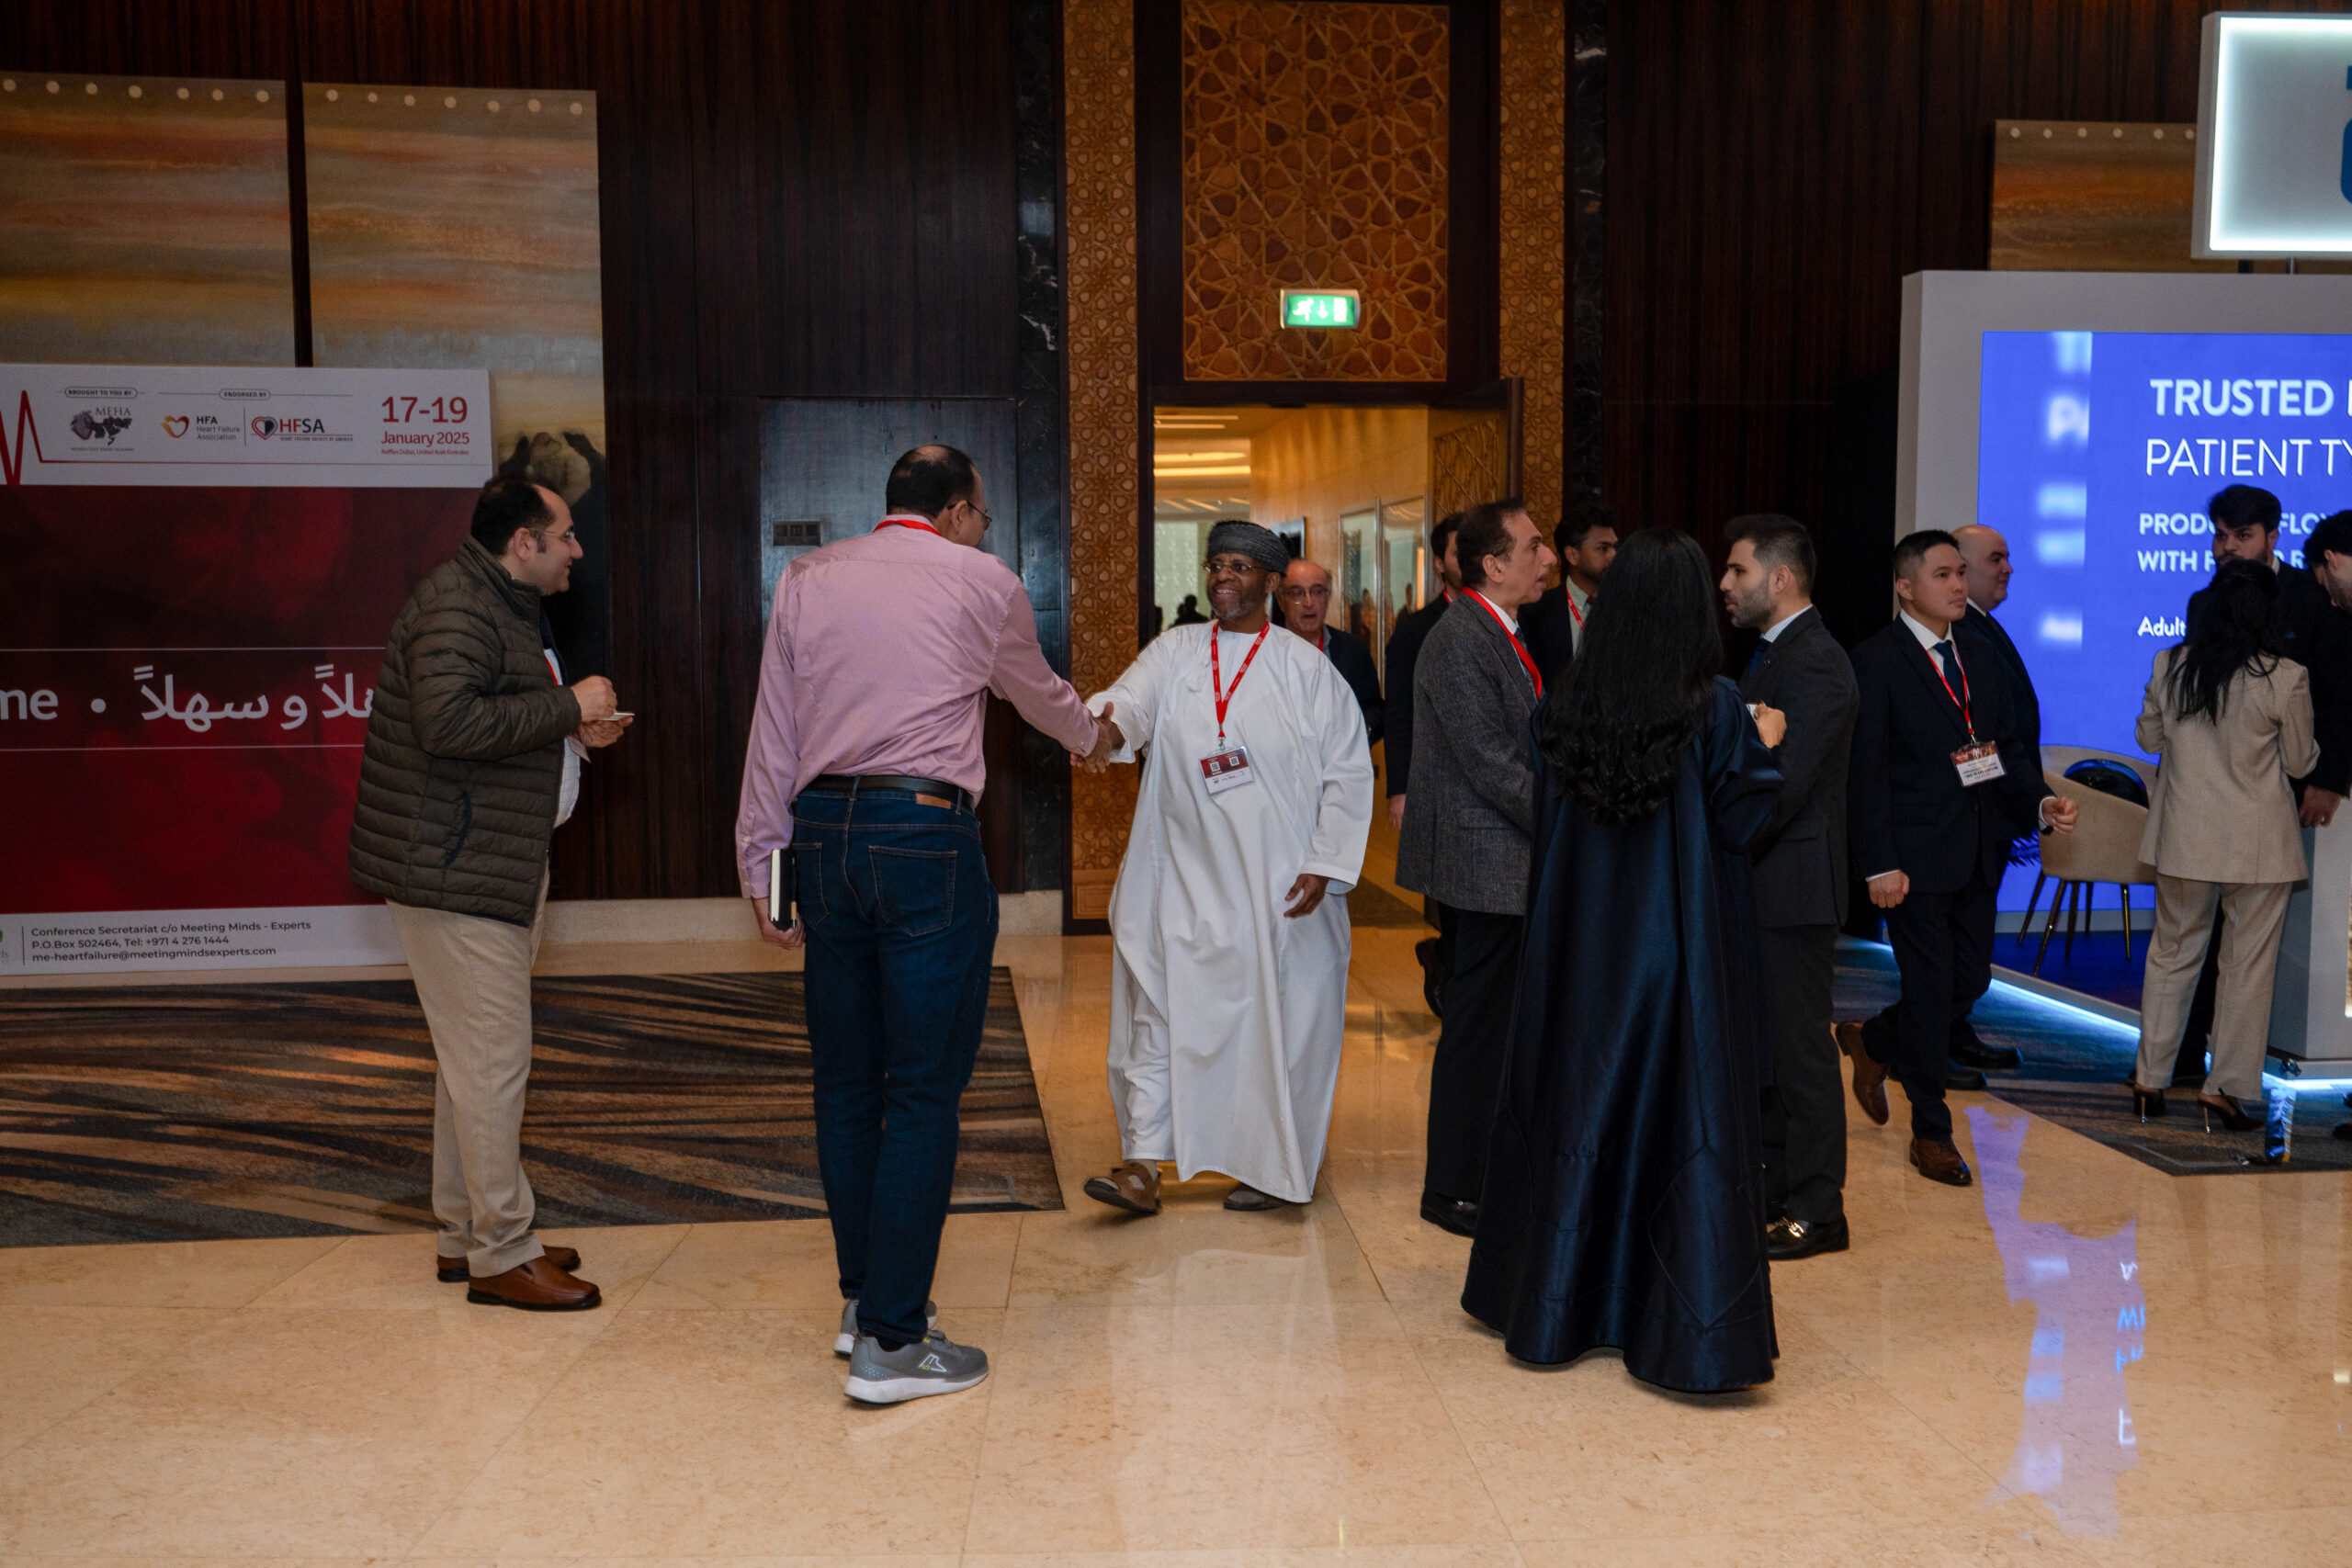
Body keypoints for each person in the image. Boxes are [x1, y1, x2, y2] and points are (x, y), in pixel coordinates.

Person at [737, 444, 1109, 1404]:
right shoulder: (981, 581)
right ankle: (895, 1344)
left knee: (845, 1083)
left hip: (820, 833)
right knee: (922, 1090)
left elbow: (773, 731)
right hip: (922, 835)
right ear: (952, 510)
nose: (982, 529)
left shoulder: (807, 577)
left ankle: (865, 1303)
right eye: (980, 514)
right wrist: (1095, 737)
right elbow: (1036, 693)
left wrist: (765, 874)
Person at [1463, 527, 1787, 1392]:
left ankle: (1560, 1302)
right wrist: (1767, 741)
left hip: (1579, 956)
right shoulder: (1716, 710)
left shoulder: (1562, 708)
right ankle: (1674, 1316)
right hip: (1677, 960)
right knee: (1679, 1125)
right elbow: (1744, 822)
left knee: (1578, 1114)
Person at [350, 474, 630, 1310]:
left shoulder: (500, 601)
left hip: (485, 862)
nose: (578, 548)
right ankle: (503, 1250)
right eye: (566, 534)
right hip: (455, 870)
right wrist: (567, 704)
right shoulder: (459, 607)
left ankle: (466, 1230)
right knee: (492, 1062)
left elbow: (493, 714)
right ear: (524, 542)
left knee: (468, 1062)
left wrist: (568, 725)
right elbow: (448, 724)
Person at [1078, 520, 1374, 1215]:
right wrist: (1103, 729)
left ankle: (1271, 1166)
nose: (1222, 577)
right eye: (1216, 565)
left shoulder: (1308, 671)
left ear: (1271, 581)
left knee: (1275, 1029)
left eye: (1239, 566)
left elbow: (1348, 773)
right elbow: (1130, 703)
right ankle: (1142, 1165)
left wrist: (1325, 862)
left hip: (1275, 889)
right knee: (1156, 1011)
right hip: (1178, 876)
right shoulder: (1177, 649)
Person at [1838, 530, 2076, 1187]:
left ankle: (1874, 1040)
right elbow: (1865, 774)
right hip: (1911, 860)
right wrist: (1878, 862)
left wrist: (2040, 803)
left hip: (1975, 849)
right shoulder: (1876, 660)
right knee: (1929, 987)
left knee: (1967, 982)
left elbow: (2000, 752)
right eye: (1941, 574)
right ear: (1905, 587)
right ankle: (1931, 1131)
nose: (1957, 584)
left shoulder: (1979, 653)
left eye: (1958, 573)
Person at [1396, 499, 1557, 1236]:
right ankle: (1453, 1186)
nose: (1547, 559)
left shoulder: (1503, 629)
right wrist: (1565, 818)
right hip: (1485, 862)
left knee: (1498, 1026)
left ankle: (1489, 1171)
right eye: (1533, 547)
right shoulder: (1462, 638)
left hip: (1505, 859)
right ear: (1492, 565)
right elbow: (1491, 762)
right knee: (1476, 1029)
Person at [2129, 561, 2317, 1131]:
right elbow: (2300, 762)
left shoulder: (2170, 664)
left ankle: (2148, 1080)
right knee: (2246, 970)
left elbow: (2148, 737)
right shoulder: (2286, 676)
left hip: (2184, 839)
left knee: (2171, 956)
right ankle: (2223, 1090)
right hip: (2260, 846)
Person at [1720, 514, 1858, 1260]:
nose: (1726, 584)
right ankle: (1776, 1191)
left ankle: (1818, 1208)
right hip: (1765, 884)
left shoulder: (1817, 664)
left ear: (1779, 578)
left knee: (1801, 1053)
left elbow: (1781, 784)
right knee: (1769, 1050)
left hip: (1794, 887)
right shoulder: (1773, 654)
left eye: (1737, 570)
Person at [1949, 523, 2036, 1077]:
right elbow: (1974, 739)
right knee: (1962, 940)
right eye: (1995, 559)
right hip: (1973, 815)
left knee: (1970, 937)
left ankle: (1949, 1033)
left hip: (1993, 811)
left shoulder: (1980, 627)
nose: (2008, 569)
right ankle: (1901, 1038)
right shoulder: (1961, 634)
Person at [1383, 513, 1464, 1015]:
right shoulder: (1416, 629)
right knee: (1449, 894)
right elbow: (1399, 712)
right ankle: (1445, 964)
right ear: (1438, 564)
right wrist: (1400, 789)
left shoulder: (1516, 619)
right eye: (1458, 551)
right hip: (1436, 787)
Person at [1278, 558, 1385, 745]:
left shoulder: (1354, 649)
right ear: (1281, 601)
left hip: (1341, 758)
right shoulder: (1265, 651)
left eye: (1318, 592)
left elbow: (1375, 709)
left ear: (1328, 597)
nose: (1309, 602)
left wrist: (1359, 734)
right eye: (1297, 593)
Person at [1521, 500, 1618, 682]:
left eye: (1614, 547)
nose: (1613, 556)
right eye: (1603, 548)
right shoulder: (1536, 614)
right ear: (1573, 555)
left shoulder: (1626, 607)